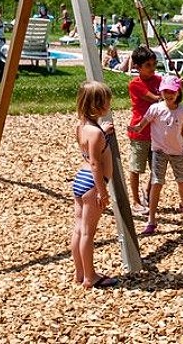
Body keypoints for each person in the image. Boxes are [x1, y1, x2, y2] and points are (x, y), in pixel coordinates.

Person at [128, 74, 183, 235]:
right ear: (160, 92)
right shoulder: (156, 108)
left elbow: (182, 129)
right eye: (165, 91)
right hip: (159, 152)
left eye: (172, 92)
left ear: (178, 92)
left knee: (182, 181)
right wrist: (136, 128)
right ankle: (151, 219)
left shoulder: (182, 111)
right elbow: (143, 123)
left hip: (177, 152)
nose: (168, 95)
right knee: (157, 183)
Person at [70, 80, 118, 289]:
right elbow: (96, 163)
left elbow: (90, 149)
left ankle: (79, 272)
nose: (109, 105)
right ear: (98, 106)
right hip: (92, 183)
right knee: (89, 233)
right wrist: (102, 191)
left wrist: (103, 132)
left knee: (79, 229)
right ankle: (90, 277)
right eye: (107, 102)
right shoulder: (97, 133)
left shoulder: (81, 127)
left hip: (79, 179)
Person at [125, 45, 161, 215]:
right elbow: (153, 98)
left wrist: (177, 85)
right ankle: (135, 201)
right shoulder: (135, 84)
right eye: (148, 65)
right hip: (139, 132)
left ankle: (147, 193)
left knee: (156, 167)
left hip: (155, 132)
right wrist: (168, 92)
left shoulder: (158, 79)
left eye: (154, 64)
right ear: (137, 67)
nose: (152, 68)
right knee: (136, 167)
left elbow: (170, 92)